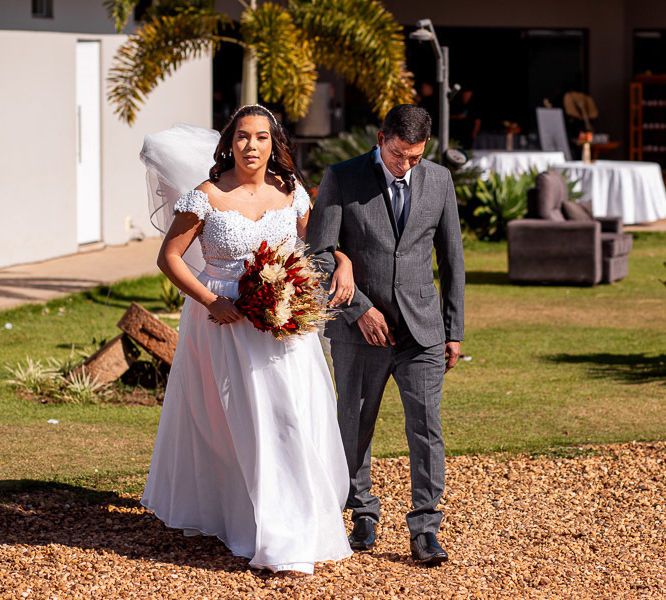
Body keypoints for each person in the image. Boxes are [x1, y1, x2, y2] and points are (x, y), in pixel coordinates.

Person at [141, 104, 355, 575]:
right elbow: (170, 257)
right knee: (240, 423)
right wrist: (208, 299)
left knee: (290, 416)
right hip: (225, 323)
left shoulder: (291, 191)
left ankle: (294, 526)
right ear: (229, 142)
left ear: (273, 144)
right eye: (242, 137)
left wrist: (343, 260)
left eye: (260, 137)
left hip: (284, 323)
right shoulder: (206, 196)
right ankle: (250, 521)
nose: (251, 146)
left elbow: (317, 239)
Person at [306, 104, 465, 565]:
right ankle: (361, 514)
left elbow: (452, 258)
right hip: (359, 332)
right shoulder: (342, 177)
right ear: (381, 139)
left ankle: (426, 528)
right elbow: (317, 257)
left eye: (415, 157)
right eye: (398, 155)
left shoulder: (438, 180)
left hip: (423, 332)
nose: (406, 166)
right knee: (353, 428)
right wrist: (359, 310)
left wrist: (453, 329)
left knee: (426, 430)